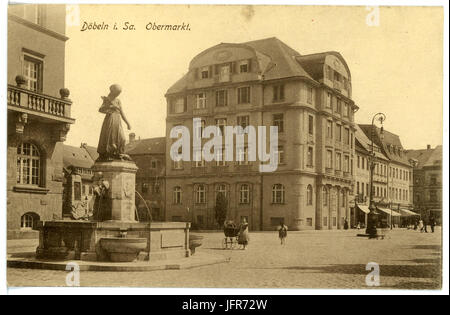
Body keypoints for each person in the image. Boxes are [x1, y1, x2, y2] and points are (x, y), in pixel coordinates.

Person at [97, 84, 132, 161]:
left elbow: (122, 112)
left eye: (119, 93)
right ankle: (110, 154)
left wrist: (127, 123)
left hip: (118, 120)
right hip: (110, 119)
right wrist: (110, 107)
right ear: (113, 91)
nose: (118, 94)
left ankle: (120, 154)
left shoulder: (118, 101)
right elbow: (100, 110)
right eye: (117, 92)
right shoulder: (107, 99)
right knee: (111, 139)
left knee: (122, 139)